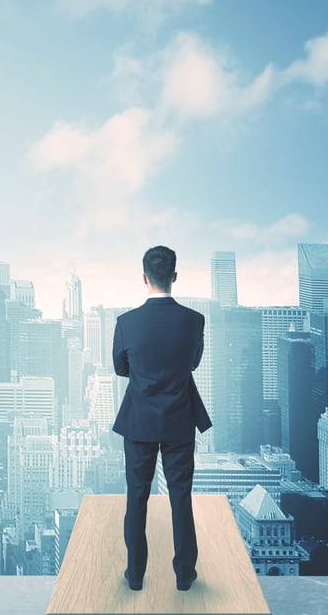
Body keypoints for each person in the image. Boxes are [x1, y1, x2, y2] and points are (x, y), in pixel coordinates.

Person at [112, 245, 211, 592]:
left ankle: (135, 574)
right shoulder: (194, 321)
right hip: (180, 419)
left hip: (139, 421)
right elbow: (193, 363)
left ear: (144, 278)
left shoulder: (126, 323)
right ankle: (184, 575)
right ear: (174, 276)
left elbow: (120, 367)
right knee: (180, 496)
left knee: (136, 495)